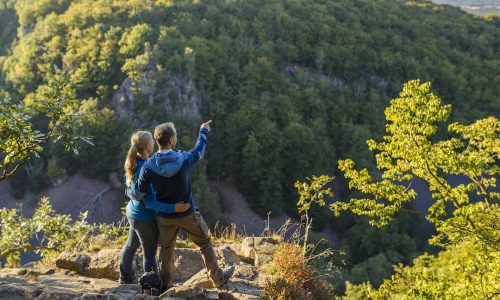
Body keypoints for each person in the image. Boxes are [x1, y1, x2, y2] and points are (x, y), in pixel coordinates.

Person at [127, 120, 234, 290]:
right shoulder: (184, 159)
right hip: (187, 214)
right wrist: (203, 132)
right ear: (171, 141)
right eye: (175, 135)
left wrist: (128, 191)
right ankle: (218, 278)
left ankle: (163, 286)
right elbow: (199, 151)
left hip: (164, 218)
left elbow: (139, 194)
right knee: (204, 243)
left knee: (166, 249)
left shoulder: (148, 167)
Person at [120, 131, 191, 284]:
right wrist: (172, 208)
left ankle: (125, 277)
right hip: (145, 216)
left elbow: (134, 191)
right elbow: (149, 202)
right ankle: (151, 286)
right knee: (150, 255)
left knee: (131, 245)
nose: (154, 142)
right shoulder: (143, 169)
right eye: (151, 140)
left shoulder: (135, 162)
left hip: (134, 212)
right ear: (148, 146)